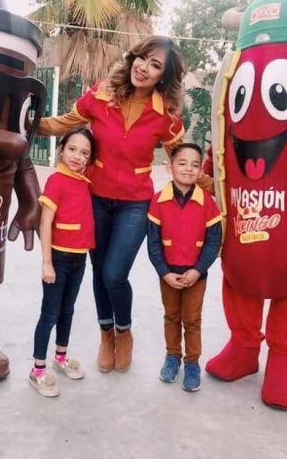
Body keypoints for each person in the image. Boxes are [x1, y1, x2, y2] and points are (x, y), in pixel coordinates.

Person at [35, 35, 188, 374]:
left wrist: (212, 186)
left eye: (155, 65)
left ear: (164, 76)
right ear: (133, 57)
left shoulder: (167, 116)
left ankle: (124, 331)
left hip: (135, 203)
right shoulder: (102, 94)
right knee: (98, 272)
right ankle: (106, 336)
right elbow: (65, 122)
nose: (144, 68)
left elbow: (183, 158)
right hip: (96, 199)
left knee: (114, 273)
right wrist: (27, 124)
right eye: (143, 58)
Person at [147, 143, 222, 392]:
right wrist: (164, 272)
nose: (188, 169)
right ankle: (172, 357)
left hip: (195, 276)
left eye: (195, 165)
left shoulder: (208, 202)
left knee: (192, 320)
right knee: (171, 317)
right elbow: (153, 242)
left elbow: (213, 241)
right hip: (168, 274)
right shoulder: (158, 201)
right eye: (182, 163)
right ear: (169, 167)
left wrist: (198, 270)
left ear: (201, 170)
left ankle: (192, 363)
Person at [29, 129, 97, 397]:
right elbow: (45, 222)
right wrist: (47, 263)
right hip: (58, 257)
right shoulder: (57, 181)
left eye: (84, 153)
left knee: (67, 310)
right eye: (72, 149)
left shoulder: (83, 181)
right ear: (61, 150)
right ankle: (37, 370)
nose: (77, 156)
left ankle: (60, 357)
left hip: (79, 258)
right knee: (50, 314)